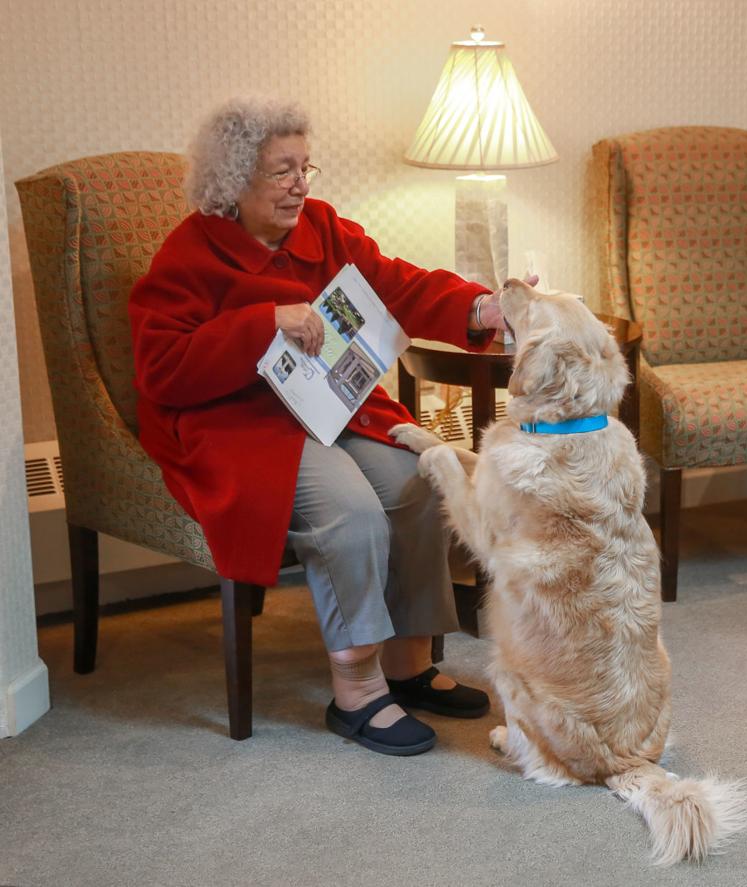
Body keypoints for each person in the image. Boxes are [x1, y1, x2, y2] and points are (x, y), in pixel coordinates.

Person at [129, 95, 508, 756]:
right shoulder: (188, 253)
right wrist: (263, 322)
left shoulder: (324, 228)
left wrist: (479, 307)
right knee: (353, 510)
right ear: (233, 181)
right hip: (242, 426)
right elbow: (162, 368)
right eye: (281, 171)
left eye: (306, 167)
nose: (300, 185)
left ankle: (406, 662)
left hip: (334, 407)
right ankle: (357, 688)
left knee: (417, 480)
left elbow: (398, 285)